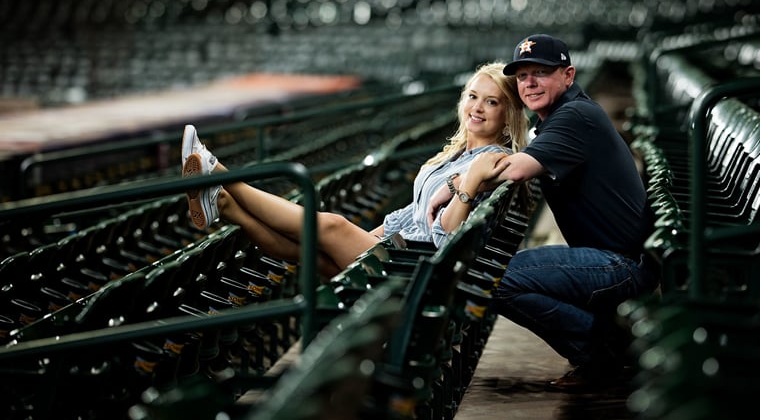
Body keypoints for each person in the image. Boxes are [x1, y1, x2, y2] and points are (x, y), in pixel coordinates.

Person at [433, 34, 660, 391]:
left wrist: (453, 187)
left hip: (621, 265)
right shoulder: (561, 115)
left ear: (568, 75)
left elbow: (513, 169)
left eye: (541, 72)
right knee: (488, 276)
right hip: (614, 259)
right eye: (522, 76)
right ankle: (603, 344)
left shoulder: (576, 115)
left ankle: (603, 350)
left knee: (488, 280)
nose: (530, 83)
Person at [180, 61, 529, 279]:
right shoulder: (455, 156)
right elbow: (415, 214)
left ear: (507, 115)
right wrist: (376, 234)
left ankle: (221, 175)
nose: (477, 107)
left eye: (492, 101)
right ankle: (224, 205)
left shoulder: (491, 161)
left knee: (332, 225)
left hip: (417, 266)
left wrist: (467, 184)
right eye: (472, 96)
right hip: (402, 249)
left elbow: (447, 237)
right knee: (307, 248)